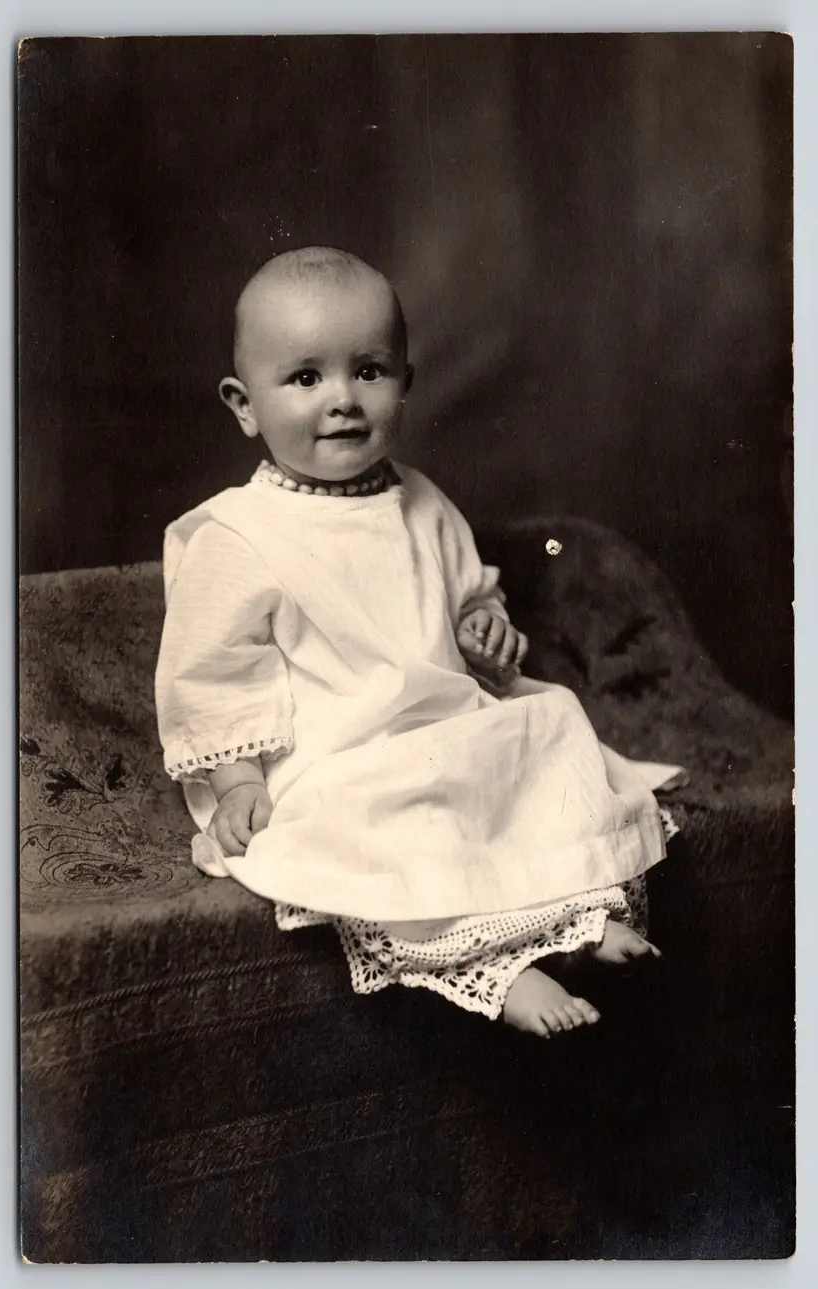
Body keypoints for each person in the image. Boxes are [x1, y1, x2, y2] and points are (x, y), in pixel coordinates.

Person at [156, 246, 681, 1038]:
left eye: (368, 371)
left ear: (405, 381)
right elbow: (215, 673)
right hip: (337, 749)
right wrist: (236, 780)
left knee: (546, 739)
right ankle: (499, 967)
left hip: (445, 721)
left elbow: (466, 595)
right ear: (244, 404)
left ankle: (575, 921)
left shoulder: (423, 501)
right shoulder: (239, 534)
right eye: (305, 378)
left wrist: (482, 631)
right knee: (387, 831)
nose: (342, 399)